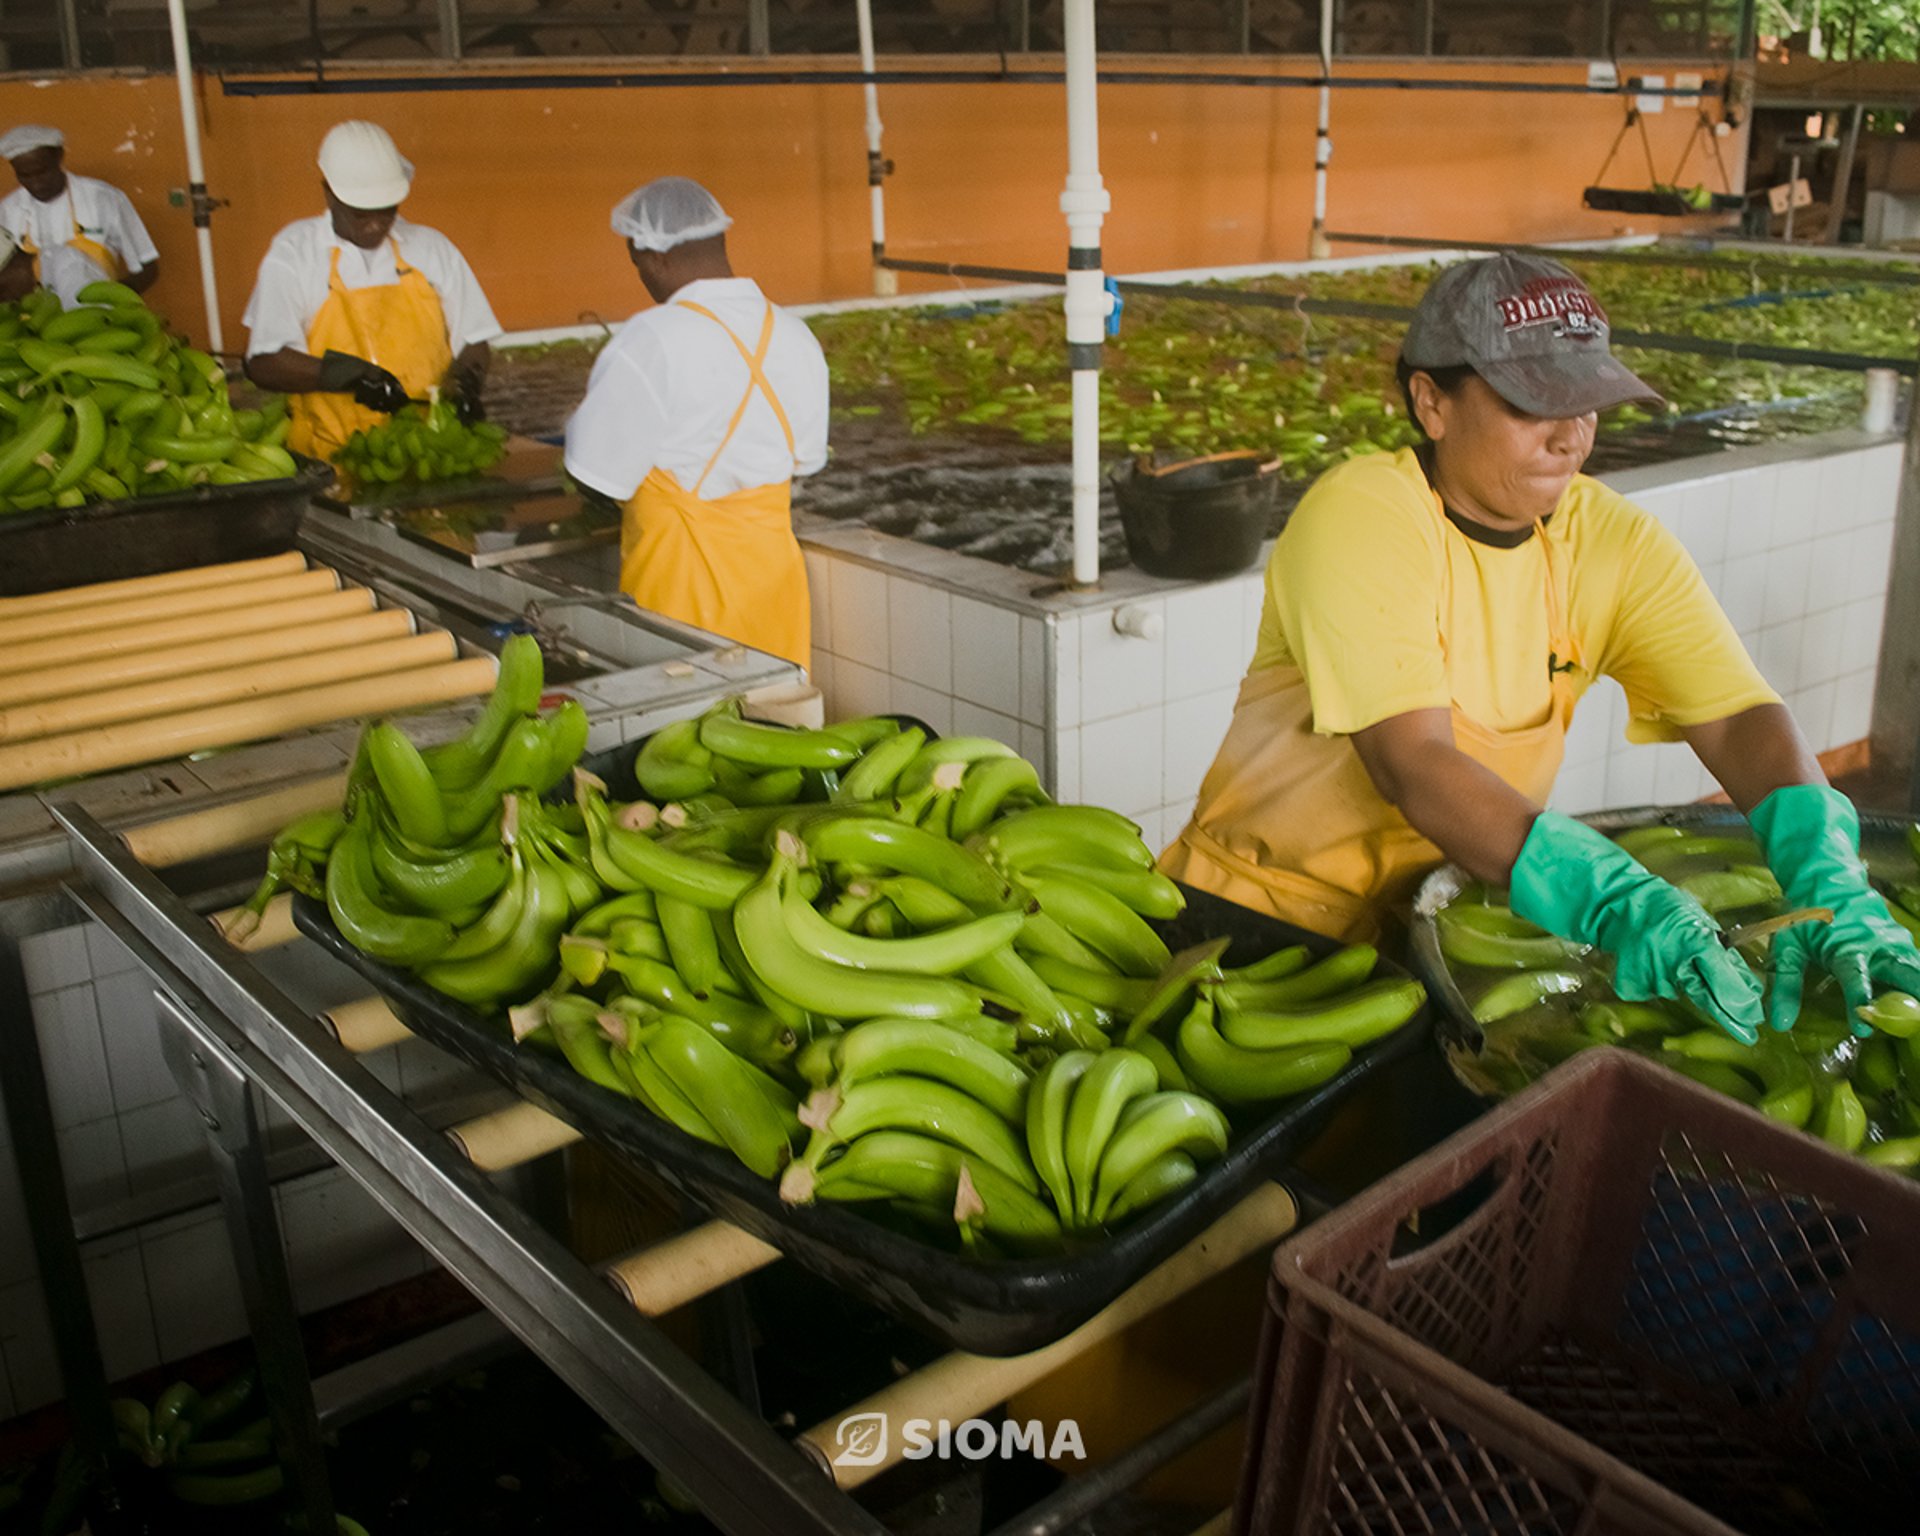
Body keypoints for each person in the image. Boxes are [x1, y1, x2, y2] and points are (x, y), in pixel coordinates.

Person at [1161, 253, 1920, 1043]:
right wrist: (1612, 896)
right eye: (1534, 406)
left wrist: (1828, 873)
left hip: (1445, 925)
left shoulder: (1611, 541)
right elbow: (1412, 764)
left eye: (1589, 404)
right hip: (1256, 931)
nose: (1570, 439)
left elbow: (1736, 718)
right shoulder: (1364, 513)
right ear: (1431, 402)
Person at [564, 177, 828, 669]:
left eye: (637, 263)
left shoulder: (652, 337)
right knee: (774, 725)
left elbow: (592, 471)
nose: (642, 276)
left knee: (685, 729)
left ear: (655, 257)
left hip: (681, 583)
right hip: (772, 581)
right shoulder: (797, 336)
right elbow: (807, 457)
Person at [242, 120, 500, 465]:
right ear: (329, 193)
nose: (376, 224)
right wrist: (350, 375)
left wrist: (466, 383)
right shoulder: (295, 254)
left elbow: (475, 338)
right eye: (361, 214)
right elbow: (265, 363)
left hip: (429, 451)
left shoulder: (432, 249)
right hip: (329, 453)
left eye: (387, 211)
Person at [0, 125, 159, 306]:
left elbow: (147, 268)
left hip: (94, 318)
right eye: (25, 176)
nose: (36, 184)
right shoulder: (7, 210)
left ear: (59, 156)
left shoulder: (104, 198)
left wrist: (112, 299)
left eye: (42, 172)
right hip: (31, 323)